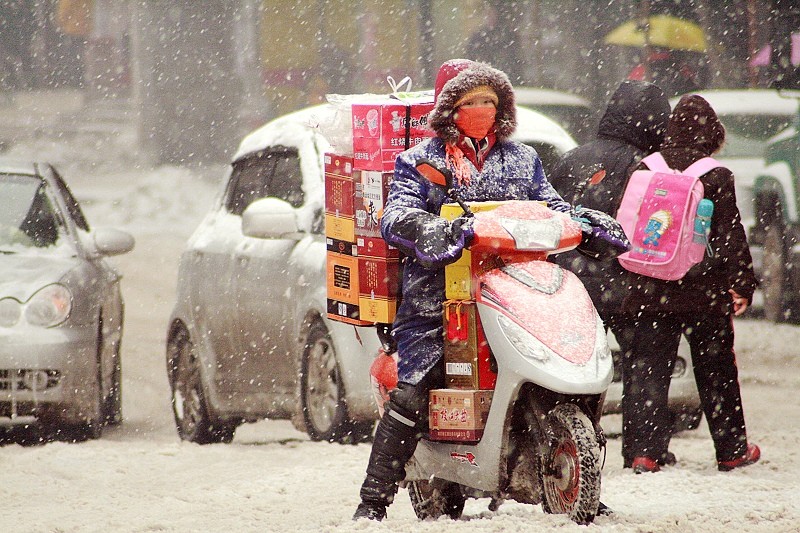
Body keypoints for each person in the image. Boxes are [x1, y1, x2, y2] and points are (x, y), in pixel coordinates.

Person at [352, 59, 623, 521]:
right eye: (469, 102)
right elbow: (395, 215)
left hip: (515, 285)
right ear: (447, 109)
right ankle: (372, 501)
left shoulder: (523, 159)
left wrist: (582, 222)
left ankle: (576, 485)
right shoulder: (421, 162)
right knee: (417, 386)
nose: (481, 109)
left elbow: (549, 206)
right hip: (436, 297)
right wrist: (431, 229)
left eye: (489, 101)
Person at [620, 94, 760, 474]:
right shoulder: (716, 174)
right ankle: (731, 450)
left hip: (650, 284)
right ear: (712, 132)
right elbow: (731, 234)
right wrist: (742, 283)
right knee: (716, 368)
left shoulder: (643, 168)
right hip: (703, 288)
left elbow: (628, 225)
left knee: (649, 367)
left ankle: (644, 453)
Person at [547, 79, 671, 468]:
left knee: (573, 366)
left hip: (573, 284)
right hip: (632, 283)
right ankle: (644, 451)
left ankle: (567, 447)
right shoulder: (650, 168)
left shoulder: (572, 159)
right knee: (646, 361)